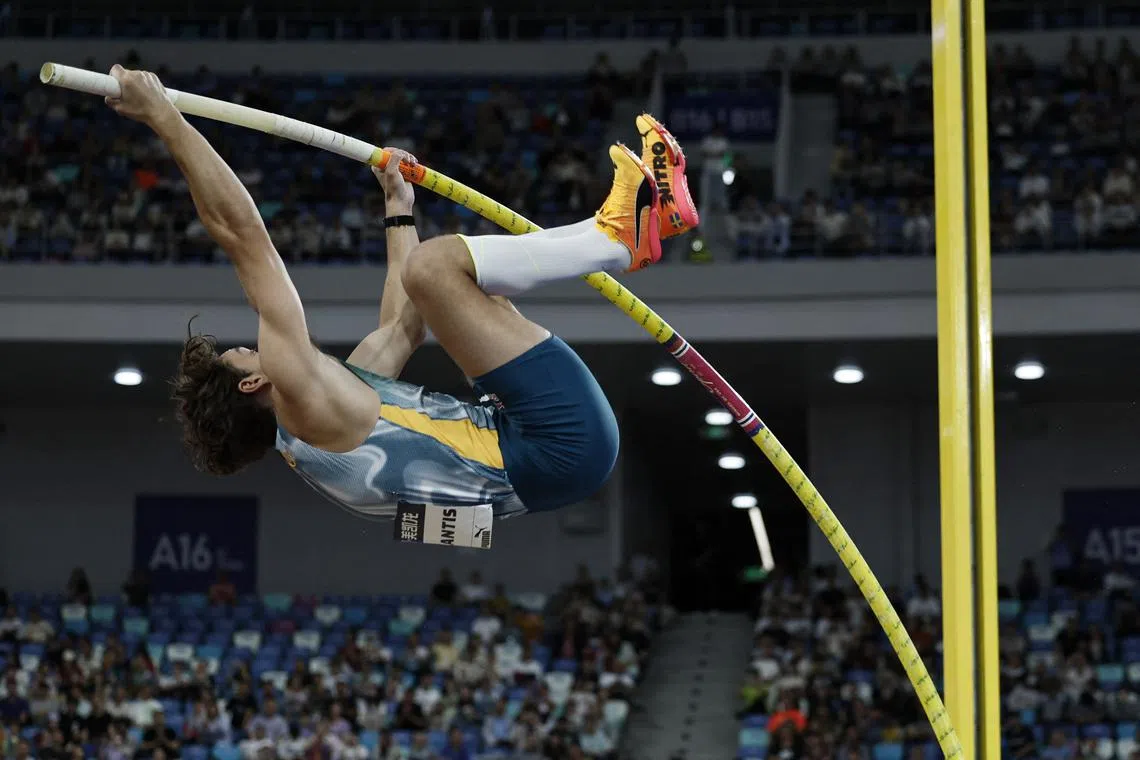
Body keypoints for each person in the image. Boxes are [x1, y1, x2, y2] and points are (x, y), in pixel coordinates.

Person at [105, 68, 699, 546]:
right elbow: (241, 236)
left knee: (435, 277)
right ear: (254, 381)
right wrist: (165, 119)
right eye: (245, 354)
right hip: (552, 446)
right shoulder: (301, 391)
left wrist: (397, 207)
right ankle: (618, 237)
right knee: (436, 269)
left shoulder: (326, 425)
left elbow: (402, 327)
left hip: (547, 458)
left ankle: (621, 231)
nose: (253, 344)